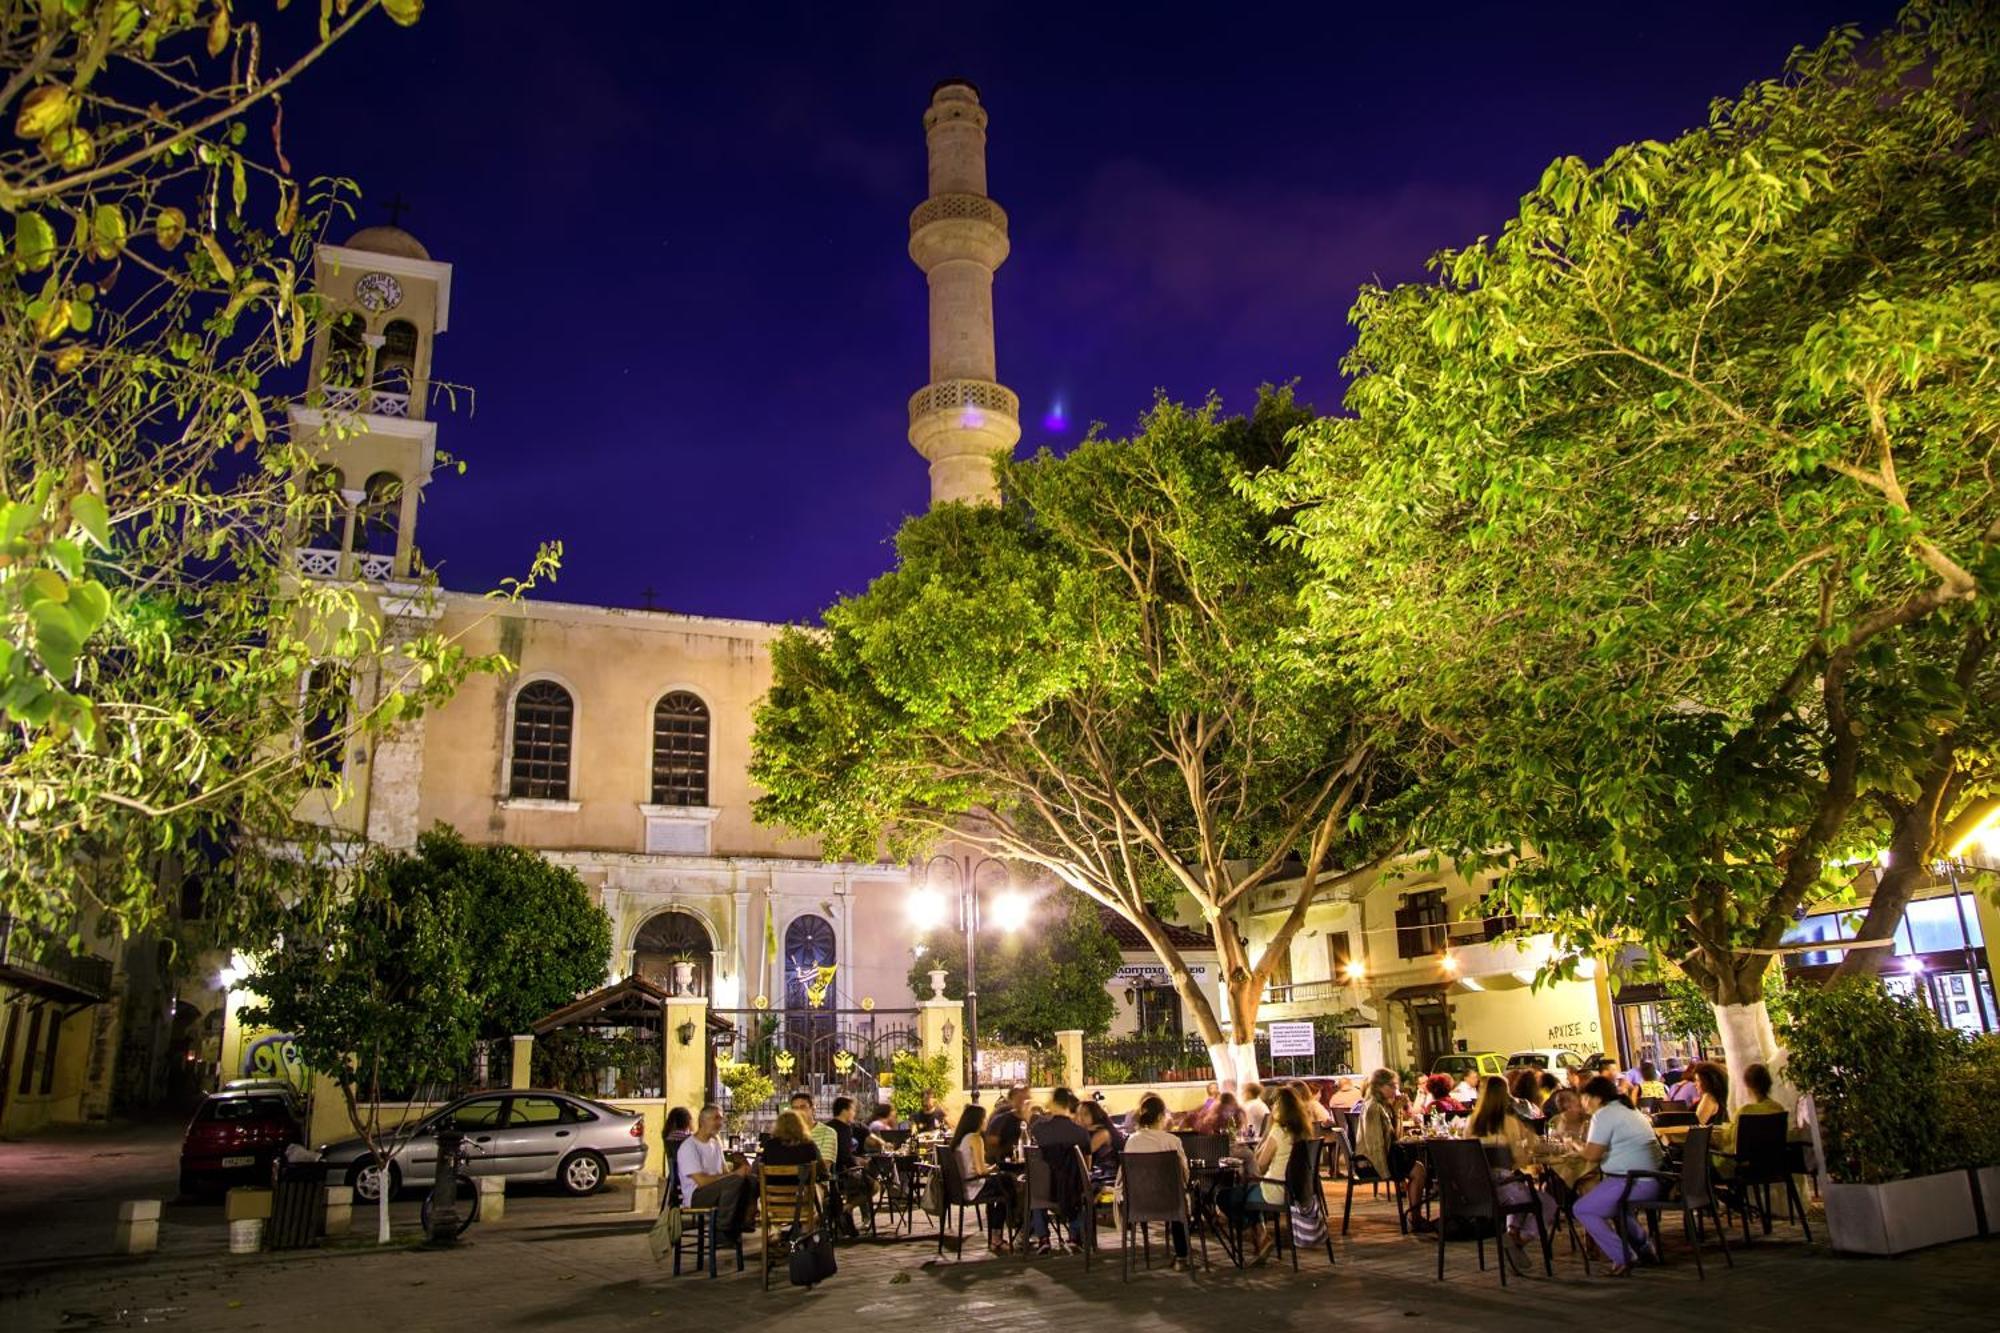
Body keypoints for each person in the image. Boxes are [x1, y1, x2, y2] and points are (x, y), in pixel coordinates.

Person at [1572, 1074, 1665, 1275]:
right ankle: (1644, 1248)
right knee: (1617, 1209)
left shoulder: (1604, 1114)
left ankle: (1623, 1257)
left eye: (1585, 1098)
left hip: (1632, 1182)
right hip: (1654, 1180)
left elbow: (1592, 1155)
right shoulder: (1629, 1110)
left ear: (1597, 1097)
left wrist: (1575, 1146)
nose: (1583, 1104)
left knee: (1583, 1209)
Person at [1467, 1076, 1557, 1275]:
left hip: (1479, 1190)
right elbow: (1519, 1159)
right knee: (1546, 1203)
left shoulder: (1472, 1122)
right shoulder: (1508, 1122)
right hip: (1504, 1187)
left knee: (1522, 1193)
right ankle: (1518, 1240)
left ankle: (1513, 1234)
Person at [1218, 1085, 1306, 1263]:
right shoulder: (1302, 1132)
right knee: (1246, 1193)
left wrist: (1264, 1138)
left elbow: (1260, 1166)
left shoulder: (1278, 1131)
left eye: (1274, 1104)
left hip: (1275, 1190)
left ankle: (1259, 1233)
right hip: (1296, 1190)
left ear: (1280, 1108)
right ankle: (1261, 1235)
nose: (1272, 1107)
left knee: (1226, 1197)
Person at [1120, 1093, 1193, 1269]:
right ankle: (1182, 1257)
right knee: (1180, 1196)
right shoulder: (1172, 1141)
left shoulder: (1131, 1141)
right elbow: (1184, 1174)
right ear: (1161, 1116)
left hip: (1139, 1202)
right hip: (1170, 1202)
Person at [1024, 1088, 1095, 1252]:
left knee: (1035, 1182)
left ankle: (1043, 1237)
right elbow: (1087, 1166)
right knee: (1079, 1185)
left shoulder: (1038, 1129)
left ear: (1053, 1103)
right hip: (1071, 1190)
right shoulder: (1081, 1133)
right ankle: (1074, 1236)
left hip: (1044, 1191)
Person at [675, 1103, 754, 1242]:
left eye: (721, 1119)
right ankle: (722, 1229)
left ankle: (744, 1220)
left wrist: (741, 1168)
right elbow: (701, 1181)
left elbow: (725, 1173)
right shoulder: (689, 1146)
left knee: (752, 1180)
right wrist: (735, 1175)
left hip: (717, 1191)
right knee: (736, 1181)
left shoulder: (715, 1143)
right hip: (697, 1195)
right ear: (703, 1121)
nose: (720, 1123)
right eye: (716, 1118)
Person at [951, 1102, 1015, 1254]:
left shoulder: (961, 1139)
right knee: (1008, 1186)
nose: (987, 1121)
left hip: (962, 1187)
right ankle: (998, 1236)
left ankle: (995, 1236)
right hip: (975, 1186)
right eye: (984, 1118)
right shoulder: (975, 1138)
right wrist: (992, 1169)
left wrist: (990, 1169)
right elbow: (980, 1170)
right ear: (977, 1120)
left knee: (1001, 1186)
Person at [1713, 1061, 1789, 1158]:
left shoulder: (1745, 1112)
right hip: (1772, 1161)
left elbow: (1732, 1141)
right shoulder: (1778, 1108)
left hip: (1742, 1165)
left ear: (1748, 1086)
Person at [1075, 1097, 1125, 1179]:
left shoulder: (1103, 1133)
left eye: (1085, 1114)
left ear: (1095, 1114)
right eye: (1078, 1114)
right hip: (1099, 1173)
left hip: (1109, 1175)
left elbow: (1084, 1153)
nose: (1080, 1118)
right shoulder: (1087, 1131)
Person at [985, 1085, 1032, 1162]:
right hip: (1008, 1166)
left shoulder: (1036, 1120)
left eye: (1026, 1098)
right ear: (1011, 1100)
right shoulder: (1000, 1120)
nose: (1024, 1102)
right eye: (1020, 1098)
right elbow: (991, 1147)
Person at [1690, 1061, 1729, 1127]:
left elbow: (1696, 1125)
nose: (1694, 1084)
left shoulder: (1709, 1098)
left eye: (1697, 1080)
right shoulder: (1721, 1098)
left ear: (1707, 1082)